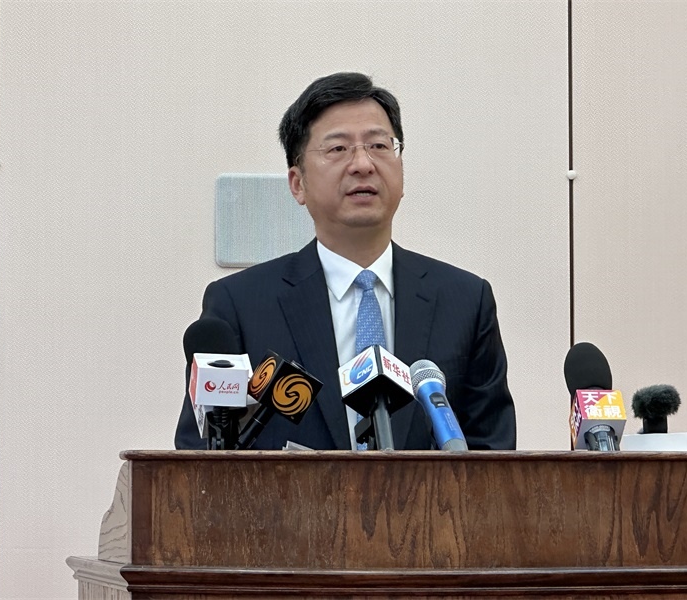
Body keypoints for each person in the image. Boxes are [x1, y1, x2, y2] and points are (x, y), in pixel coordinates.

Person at [175, 72, 516, 451]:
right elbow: (201, 456)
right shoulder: (240, 306)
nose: (363, 164)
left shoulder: (465, 301)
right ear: (298, 183)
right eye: (338, 148)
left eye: (379, 145)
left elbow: (493, 455)